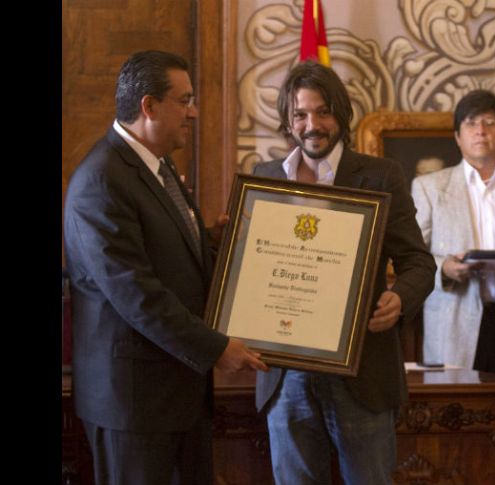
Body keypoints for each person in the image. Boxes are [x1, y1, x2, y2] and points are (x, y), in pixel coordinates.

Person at [63, 50, 267, 485]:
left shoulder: (160, 165)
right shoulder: (101, 181)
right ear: (149, 106)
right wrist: (216, 348)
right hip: (133, 404)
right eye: (185, 99)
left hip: (178, 394)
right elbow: (137, 294)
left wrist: (217, 244)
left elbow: (172, 258)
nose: (193, 112)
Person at [252, 61, 436, 485]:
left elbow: (419, 263)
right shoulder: (263, 178)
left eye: (323, 112)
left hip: (362, 372)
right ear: (288, 119)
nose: (312, 125)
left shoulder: (380, 175)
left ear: (341, 115)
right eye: (300, 115)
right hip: (285, 375)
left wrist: (400, 298)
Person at [411, 89, 495, 375]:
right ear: (457, 136)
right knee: (455, 406)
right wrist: (445, 267)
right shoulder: (429, 188)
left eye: (490, 123)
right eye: (471, 123)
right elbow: (413, 257)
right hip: (453, 318)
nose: (481, 131)